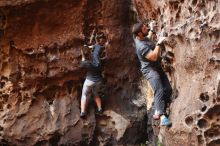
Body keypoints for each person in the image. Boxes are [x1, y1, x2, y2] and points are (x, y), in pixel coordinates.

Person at [132, 22, 172, 126]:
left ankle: (158, 110)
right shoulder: (141, 46)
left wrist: (152, 30)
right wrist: (159, 43)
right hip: (150, 70)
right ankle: (162, 117)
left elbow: (148, 38)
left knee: (168, 89)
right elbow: (154, 56)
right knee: (159, 90)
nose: (147, 29)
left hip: (156, 67)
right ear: (139, 33)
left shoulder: (141, 38)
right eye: (144, 28)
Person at [79, 38, 106, 118]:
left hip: (89, 81)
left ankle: (83, 112)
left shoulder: (85, 63)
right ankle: (100, 109)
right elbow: (98, 46)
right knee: (96, 94)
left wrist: (83, 54)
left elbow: (81, 63)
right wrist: (91, 47)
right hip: (98, 81)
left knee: (84, 94)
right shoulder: (95, 55)